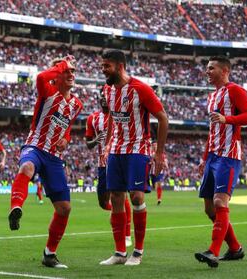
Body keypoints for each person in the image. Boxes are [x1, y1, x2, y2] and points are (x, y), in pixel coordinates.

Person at [8, 55, 83, 268]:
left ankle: (49, 255)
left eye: (73, 72)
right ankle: (15, 208)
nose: (71, 75)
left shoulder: (76, 104)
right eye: (66, 72)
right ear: (57, 75)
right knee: (27, 167)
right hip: (35, 146)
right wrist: (61, 65)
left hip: (54, 157)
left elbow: (67, 129)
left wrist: (66, 140)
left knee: (64, 208)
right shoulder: (48, 91)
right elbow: (41, 76)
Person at [99, 50, 168, 266]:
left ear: (120, 66)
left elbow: (163, 118)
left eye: (107, 66)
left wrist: (159, 153)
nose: (103, 70)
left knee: (137, 197)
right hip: (116, 151)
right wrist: (108, 142)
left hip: (138, 149)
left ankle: (137, 252)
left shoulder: (140, 89)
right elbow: (111, 116)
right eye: (103, 66)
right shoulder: (107, 90)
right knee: (116, 198)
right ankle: (120, 253)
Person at [194, 56, 247, 268]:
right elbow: (213, 130)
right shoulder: (212, 97)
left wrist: (227, 119)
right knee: (210, 209)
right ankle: (236, 248)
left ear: (225, 70)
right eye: (206, 68)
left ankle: (213, 251)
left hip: (228, 155)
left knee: (221, 202)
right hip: (212, 155)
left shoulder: (235, 90)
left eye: (211, 68)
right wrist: (204, 158)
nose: (207, 71)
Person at [85, 90, 132, 247]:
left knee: (120, 195)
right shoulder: (93, 118)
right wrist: (96, 140)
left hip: (117, 159)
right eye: (101, 98)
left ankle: (126, 233)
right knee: (103, 203)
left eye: (106, 98)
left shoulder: (119, 115)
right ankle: (122, 215)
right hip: (101, 163)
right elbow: (88, 144)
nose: (104, 100)